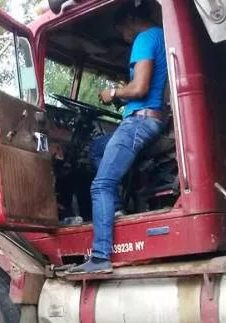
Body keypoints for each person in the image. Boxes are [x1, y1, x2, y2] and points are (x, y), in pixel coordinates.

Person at [70, 2, 168, 274]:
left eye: (121, 31)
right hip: (149, 119)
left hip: (140, 121)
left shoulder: (144, 38)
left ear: (130, 20)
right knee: (95, 148)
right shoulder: (161, 35)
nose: (124, 38)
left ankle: (100, 257)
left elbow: (139, 88)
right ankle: (115, 209)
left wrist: (113, 92)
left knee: (100, 185)